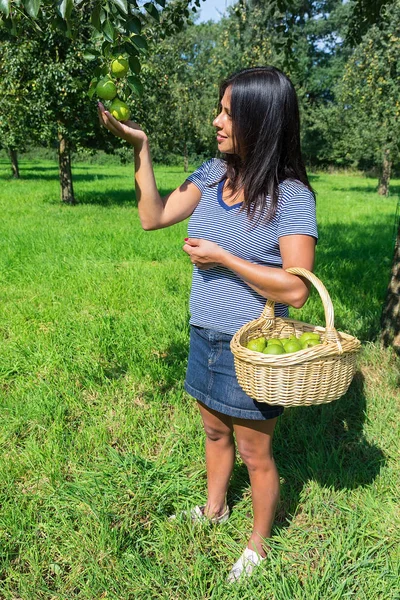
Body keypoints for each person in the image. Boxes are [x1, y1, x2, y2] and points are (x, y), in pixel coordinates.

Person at [98, 66, 318, 583]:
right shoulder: (212, 174)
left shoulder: (291, 197)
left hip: (254, 348)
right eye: (219, 109)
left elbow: (298, 290)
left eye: (228, 112)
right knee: (214, 431)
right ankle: (214, 508)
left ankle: (260, 545)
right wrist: (140, 146)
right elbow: (153, 216)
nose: (216, 121)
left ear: (261, 122)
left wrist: (224, 258)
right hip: (205, 334)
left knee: (254, 451)